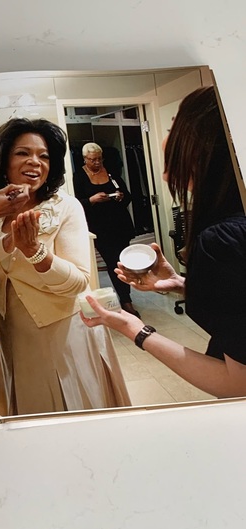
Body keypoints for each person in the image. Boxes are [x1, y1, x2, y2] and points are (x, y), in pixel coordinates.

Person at [81, 85, 246, 396]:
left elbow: (239, 385)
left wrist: (135, 330)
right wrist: (182, 284)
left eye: (172, 127)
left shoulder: (221, 240)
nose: (166, 138)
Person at [0, 118, 130, 415]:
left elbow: (79, 281)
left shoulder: (66, 207)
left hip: (64, 332)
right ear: (3, 160)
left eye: (43, 156)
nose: (35, 162)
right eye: (23, 153)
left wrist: (36, 252)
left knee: (77, 413)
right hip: (14, 334)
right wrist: (9, 241)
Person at [73, 142, 139, 316]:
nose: (97, 163)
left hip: (120, 224)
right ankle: (126, 301)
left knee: (123, 262)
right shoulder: (79, 176)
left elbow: (128, 196)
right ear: (85, 159)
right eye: (92, 159)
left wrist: (121, 196)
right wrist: (92, 200)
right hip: (99, 228)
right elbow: (77, 204)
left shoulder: (111, 172)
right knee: (113, 262)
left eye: (99, 159)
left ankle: (125, 298)